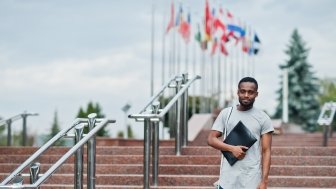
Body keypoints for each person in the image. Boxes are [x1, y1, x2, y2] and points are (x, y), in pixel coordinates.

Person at [208, 77, 274, 189]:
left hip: (251, 179)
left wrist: (264, 181)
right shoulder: (226, 113)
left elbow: (266, 151)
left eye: (250, 92)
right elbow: (211, 139)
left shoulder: (263, 118)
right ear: (238, 92)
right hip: (227, 179)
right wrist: (232, 149)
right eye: (243, 91)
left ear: (256, 94)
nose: (246, 95)